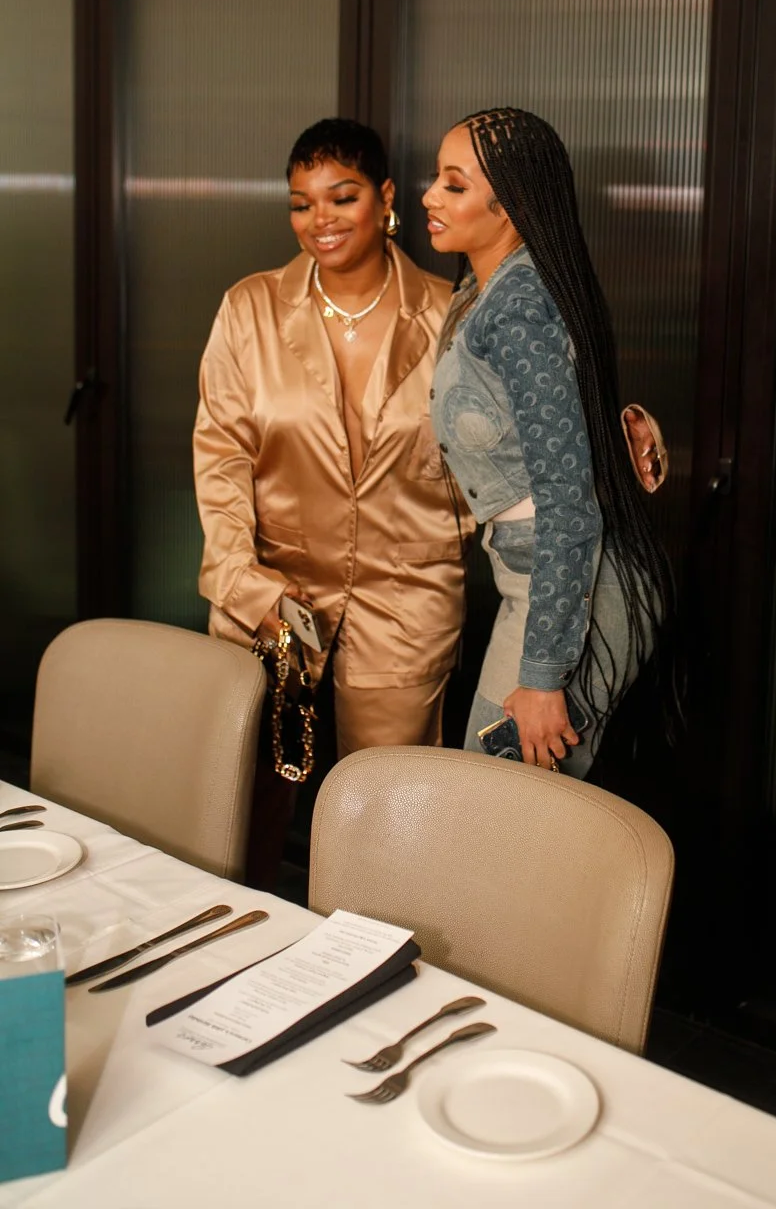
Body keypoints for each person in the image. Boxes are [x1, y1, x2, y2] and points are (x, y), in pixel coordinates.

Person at [194, 116, 662, 872]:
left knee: (404, 830)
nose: (319, 220)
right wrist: (241, 580)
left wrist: (618, 439)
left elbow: (526, 453)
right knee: (237, 809)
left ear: (382, 199)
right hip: (275, 598)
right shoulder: (255, 308)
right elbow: (219, 454)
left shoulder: (462, 305)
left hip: (409, 600)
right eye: (301, 203)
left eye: (341, 197)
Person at [423, 107, 676, 775]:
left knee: (504, 808)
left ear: (508, 206)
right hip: (537, 580)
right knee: (505, 802)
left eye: (454, 184)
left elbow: (566, 498)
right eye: (437, 178)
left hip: (571, 590)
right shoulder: (489, 287)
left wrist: (542, 677)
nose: (429, 196)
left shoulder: (518, 307)